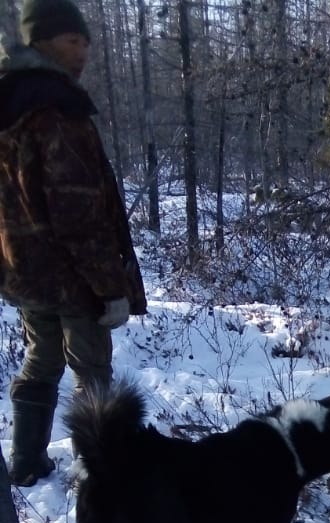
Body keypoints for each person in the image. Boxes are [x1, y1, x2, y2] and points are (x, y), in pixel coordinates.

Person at [0, 0, 146, 486]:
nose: (82, 51)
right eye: (71, 40)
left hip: (25, 268)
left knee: (41, 356)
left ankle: (26, 461)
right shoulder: (57, 109)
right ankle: (99, 467)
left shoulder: (10, 101)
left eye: (85, 41)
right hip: (69, 272)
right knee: (92, 366)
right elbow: (76, 211)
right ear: (39, 41)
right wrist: (109, 286)